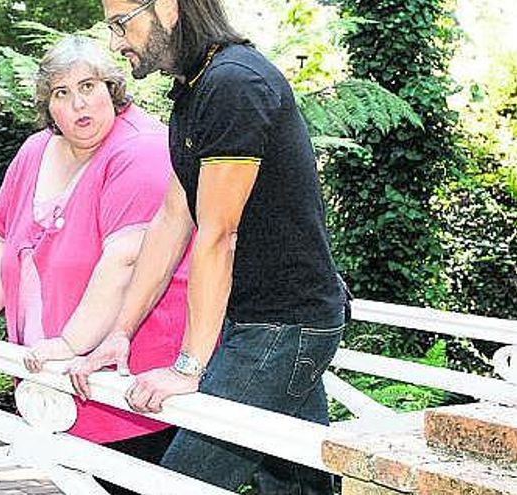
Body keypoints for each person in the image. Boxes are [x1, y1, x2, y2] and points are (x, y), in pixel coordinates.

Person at [68, 0, 351, 493]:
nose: (116, 42)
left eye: (120, 24)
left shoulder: (234, 84)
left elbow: (218, 234)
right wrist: (121, 331)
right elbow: (173, 219)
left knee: (180, 483)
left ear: (168, 8)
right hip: (263, 321)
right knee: (295, 485)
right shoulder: (196, 90)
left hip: (285, 325)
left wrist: (188, 367)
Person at [0, 36, 190, 495]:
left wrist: (69, 343)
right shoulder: (34, 150)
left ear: (112, 88)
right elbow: (2, 240)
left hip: (129, 384)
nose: (79, 104)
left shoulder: (142, 149)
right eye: (62, 94)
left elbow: (127, 260)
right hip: (59, 377)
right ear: (47, 106)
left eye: (89, 86)